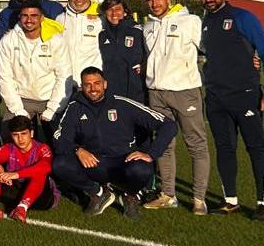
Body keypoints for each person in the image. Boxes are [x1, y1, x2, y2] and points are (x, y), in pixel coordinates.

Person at [196, 0, 264, 221]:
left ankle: (263, 204)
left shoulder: (243, 17)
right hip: (216, 98)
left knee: (256, 148)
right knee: (224, 149)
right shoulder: (204, 22)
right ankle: (230, 200)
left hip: (245, 95)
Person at [51, 67, 177, 219]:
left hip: (123, 162)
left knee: (142, 169)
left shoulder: (123, 104)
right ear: (82, 86)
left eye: (97, 83)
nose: (92, 89)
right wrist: (78, 149)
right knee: (60, 164)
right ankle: (98, 193)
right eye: (87, 84)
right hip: (94, 163)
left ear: (105, 84)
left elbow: (169, 125)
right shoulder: (74, 108)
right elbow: (59, 139)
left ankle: (130, 197)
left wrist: (151, 153)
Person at [142, 0, 210, 213]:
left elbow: (211, 48)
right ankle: (168, 194)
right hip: (156, 94)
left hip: (185, 92)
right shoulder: (148, 26)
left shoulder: (190, 21)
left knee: (196, 145)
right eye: (149, 0)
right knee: (164, 146)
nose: (154, 4)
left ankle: (199, 198)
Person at [0, 0, 71, 136]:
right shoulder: (8, 40)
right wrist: (18, 109)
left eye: (34, 15)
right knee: (8, 132)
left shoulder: (56, 40)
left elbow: (64, 76)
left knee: (61, 138)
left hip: (49, 97)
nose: (29, 20)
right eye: (25, 15)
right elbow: (5, 77)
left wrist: (53, 107)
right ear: (20, 17)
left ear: (42, 18)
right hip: (23, 98)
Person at [0, 115, 58, 222]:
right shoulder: (8, 148)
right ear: (11, 136)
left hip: (40, 197)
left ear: (31, 133)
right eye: (15, 135)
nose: (20, 139)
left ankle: (22, 208)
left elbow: (46, 166)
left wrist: (16, 174)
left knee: (39, 172)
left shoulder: (42, 148)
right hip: (15, 191)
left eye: (24, 134)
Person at [95, 0, 149, 104]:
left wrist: (145, 65)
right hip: (112, 90)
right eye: (110, 9)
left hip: (136, 90)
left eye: (118, 9)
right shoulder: (102, 35)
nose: (114, 13)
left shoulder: (138, 31)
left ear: (125, 11)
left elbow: (151, 53)